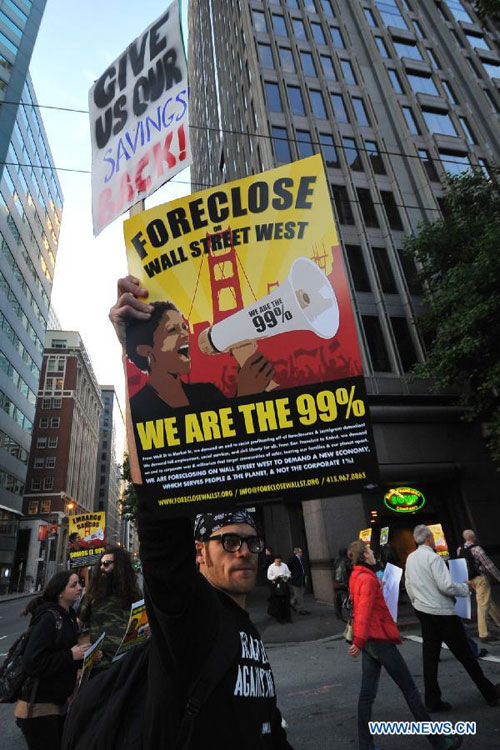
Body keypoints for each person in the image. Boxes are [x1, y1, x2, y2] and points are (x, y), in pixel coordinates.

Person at [109, 277, 293, 749]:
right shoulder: (187, 616)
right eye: (228, 542)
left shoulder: (211, 393)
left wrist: (255, 405)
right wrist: (122, 348)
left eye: (249, 541)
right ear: (199, 554)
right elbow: (157, 530)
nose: (244, 552)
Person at [347, 540, 462, 750]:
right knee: (409, 689)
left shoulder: (358, 576)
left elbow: (363, 607)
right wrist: (358, 641)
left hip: (371, 642)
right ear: (364, 555)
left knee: (367, 694)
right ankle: (439, 741)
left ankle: (366, 744)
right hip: (378, 639)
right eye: (370, 550)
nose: (374, 552)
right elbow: (362, 613)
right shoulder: (367, 579)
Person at [124, 296, 275, 421]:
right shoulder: (138, 407)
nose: (185, 334)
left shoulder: (208, 393)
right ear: (145, 350)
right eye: (172, 330)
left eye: (184, 327)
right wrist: (245, 397)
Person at [405, 524, 500, 711]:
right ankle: (489, 692)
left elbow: (408, 584)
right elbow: (446, 586)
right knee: (466, 655)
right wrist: (464, 588)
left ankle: (432, 700)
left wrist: (417, 603)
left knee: (430, 658)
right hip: (443, 612)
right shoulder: (433, 558)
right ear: (429, 538)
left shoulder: (411, 558)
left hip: (424, 612)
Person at [14, 571, 88, 750]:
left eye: (79, 583)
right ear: (60, 592)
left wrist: (84, 657)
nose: (80, 588)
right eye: (73, 585)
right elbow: (32, 662)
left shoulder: (68, 616)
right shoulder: (49, 618)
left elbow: (66, 652)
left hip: (57, 705)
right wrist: (71, 655)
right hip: (38, 710)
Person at [78, 545, 142, 674]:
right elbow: (79, 625)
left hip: (127, 665)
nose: (102, 567)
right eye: (101, 564)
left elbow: (141, 625)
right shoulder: (92, 595)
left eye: (107, 564)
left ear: (119, 566)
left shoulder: (134, 594)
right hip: (99, 667)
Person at [457, 529, 500, 643]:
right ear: (473, 537)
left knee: (488, 601)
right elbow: (489, 565)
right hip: (481, 579)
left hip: (470, 580)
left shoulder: (460, 549)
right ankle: (483, 633)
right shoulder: (477, 549)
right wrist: (498, 577)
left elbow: (461, 565)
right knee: (482, 604)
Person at [267, 556, 292, 624]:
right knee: (278, 603)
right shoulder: (271, 567)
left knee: (286, 602)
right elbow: (269, 576)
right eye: (277, 561)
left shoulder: (284, 565)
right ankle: (280, 618)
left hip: (284, 584)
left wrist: (285, 576)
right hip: (276, 585)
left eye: (279, 561)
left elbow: (288, 573)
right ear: (274, 561)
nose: (278, 563)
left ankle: (288, 618)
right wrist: (275, 577)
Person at [287, 547, 310, 615]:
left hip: (302, 578)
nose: (302, 553)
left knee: (300, 592)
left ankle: (291, 602)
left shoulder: (301, 559)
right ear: (297, 552)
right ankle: (301, 609)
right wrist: (291, 575)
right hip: (296, 579)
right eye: (300, 552)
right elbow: (288, 567)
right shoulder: (293, 559)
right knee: (299, 595)